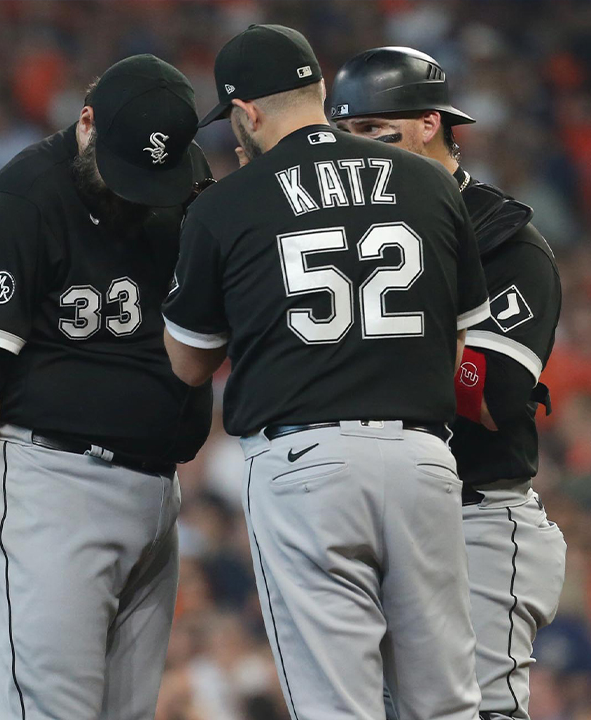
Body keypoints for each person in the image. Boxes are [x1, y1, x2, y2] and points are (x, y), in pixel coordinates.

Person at [163, 25, 489, 720]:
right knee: (448, 703)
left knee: (338, 707)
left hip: (305, 464)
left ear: (246, 113)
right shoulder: (430, 183)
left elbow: (189, 362)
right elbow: (456, 338)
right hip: (422, 457)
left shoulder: (224, 205)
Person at [0, 54, 213, 720]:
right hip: (53, 490)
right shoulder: (19, 204)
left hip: (157, 495)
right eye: (126, 168)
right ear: (85, 123)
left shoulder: (183, 183)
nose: (140, 190)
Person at [330, 46, 567, 720]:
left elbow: (490, 395)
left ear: (429, 124)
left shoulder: (504, 240)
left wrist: (387, 334)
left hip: (477, 517)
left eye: (373, 130)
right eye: (344, 134)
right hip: (373, 517)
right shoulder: (339, 234)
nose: (356, 149)